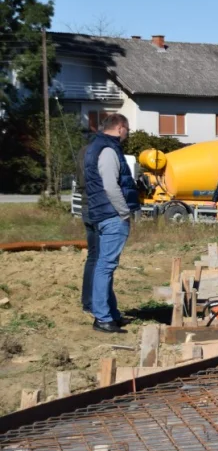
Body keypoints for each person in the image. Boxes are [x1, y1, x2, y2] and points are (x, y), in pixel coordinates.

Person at [83, 113, 140, 333]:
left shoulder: (96, 146)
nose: (127, 134)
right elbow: (110, 186)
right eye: (127, 130)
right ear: (119, 128)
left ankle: (112, 314)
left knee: (105, 266)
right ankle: (102, 318)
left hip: (102, 212)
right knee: (105, 267)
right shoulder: (108, 150)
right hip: (111, 215)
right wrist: (124, 212)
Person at [75, 130, 98, 319]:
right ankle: (94, 303)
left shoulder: (82, 152)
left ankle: (88, 302)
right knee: (102, 260)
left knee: (93, 257)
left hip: (86, 206)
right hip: (98, 208)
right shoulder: (99, 152)